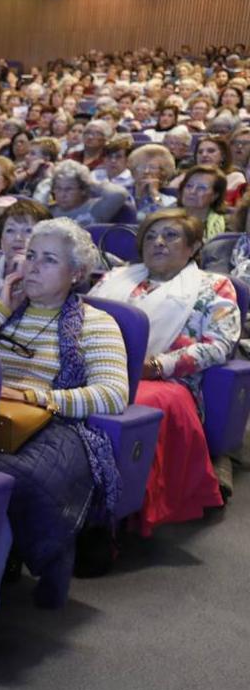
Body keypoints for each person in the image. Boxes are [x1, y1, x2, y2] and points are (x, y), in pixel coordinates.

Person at [0, 219, 128, 624]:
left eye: (48, 260)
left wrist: (39, 397)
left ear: (76, 274)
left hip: (55, 428)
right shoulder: (2, 308)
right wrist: (0, 307)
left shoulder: (95, 323)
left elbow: (113, 394)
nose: (31, 266)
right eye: (30, 255)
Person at [89, 209, 237, 535]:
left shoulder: (213, 286)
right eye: (151, 236)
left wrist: (157, 366)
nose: (158, 242)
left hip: (171, 380)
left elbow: (219, 345)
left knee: (127, 403)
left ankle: (116, 512)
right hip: (104, 366)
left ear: (194, 246)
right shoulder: (116, 277)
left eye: (171, 236)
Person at [36, 159, 130, 227]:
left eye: (69, 189)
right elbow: (34, 208)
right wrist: (49, 180)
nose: (62, 194)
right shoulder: (49, 211)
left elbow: (119, 193)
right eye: (58, 188)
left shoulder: (95, 209)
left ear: (83, 190)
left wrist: (91, 183)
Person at [176, 164, 228, 241]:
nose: (192, 191)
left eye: (201, 188)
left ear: (215, 195)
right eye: (189, 186)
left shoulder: (227, 225)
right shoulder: (164, 217)